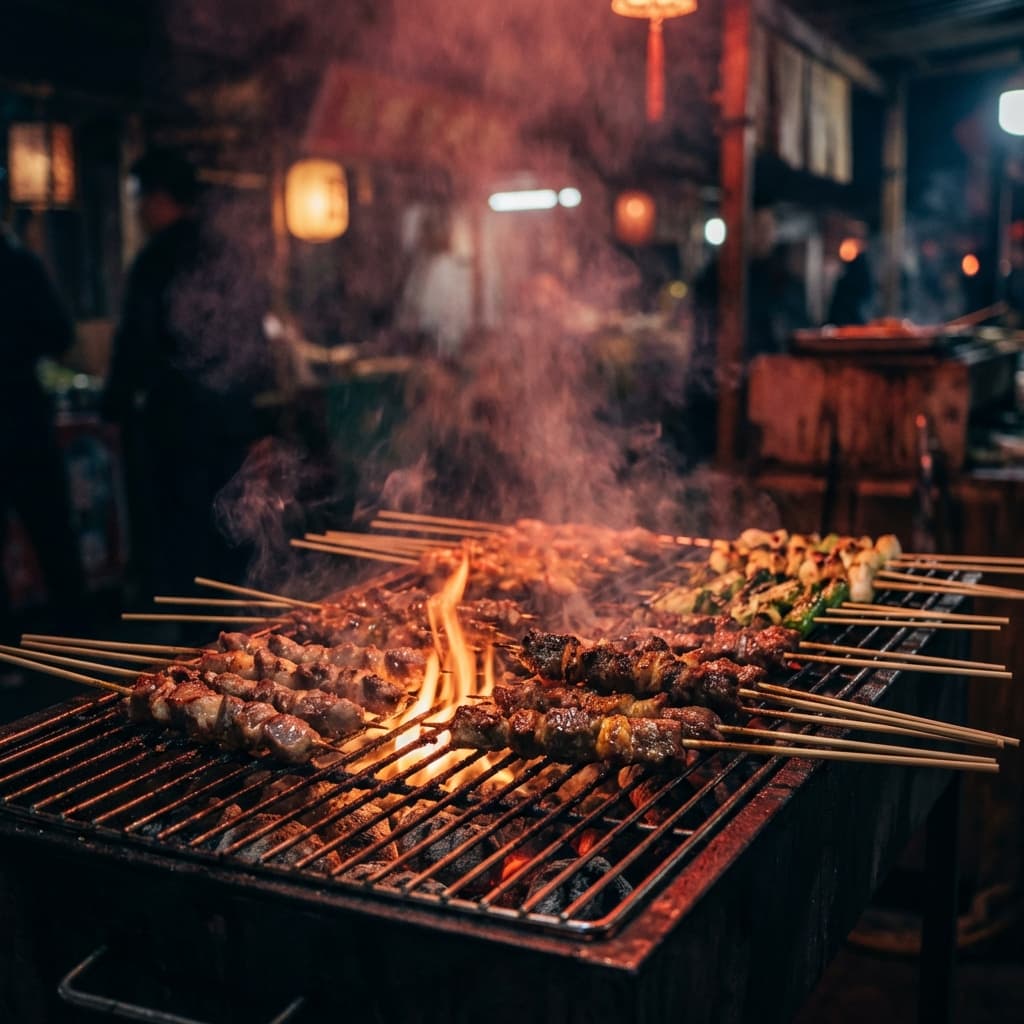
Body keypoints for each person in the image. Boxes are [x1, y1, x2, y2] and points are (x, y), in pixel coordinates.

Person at [103, 149, 270, 599]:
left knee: (184, 529)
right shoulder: (228, 252)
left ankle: (198, 636)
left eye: (141, 199)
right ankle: (237, 615)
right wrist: (257, 417)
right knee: (231, 522)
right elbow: (255, 336)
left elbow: (134, 342)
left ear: (160, 197)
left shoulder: (156, 259)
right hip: (230, 418)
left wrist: (114, 402)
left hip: (176, 423)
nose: (138, 211)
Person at [0, 225, 85, 642]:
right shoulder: (21, 264)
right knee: (53, 534)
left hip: (22, 416)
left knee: (52, 532)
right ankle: (76, 634)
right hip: (24, 415)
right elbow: (59, 335)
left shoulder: (20, 263)